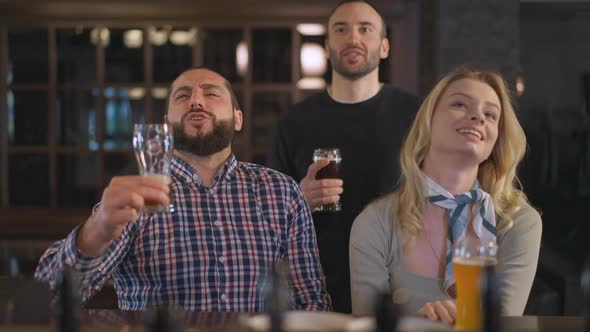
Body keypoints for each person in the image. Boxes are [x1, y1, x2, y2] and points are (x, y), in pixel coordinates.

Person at [35, 67, 331, 312]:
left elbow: (311, 301)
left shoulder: (282, 192)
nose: (195, 101)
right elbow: (48, 300)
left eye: (211, 93)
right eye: (183, 95)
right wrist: (97, 229)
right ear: (167, 124)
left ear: (238, 119)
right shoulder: (138, 196)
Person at [349, 67, 542, 322]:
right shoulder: (374, 223)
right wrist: (419, 324)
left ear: (496, 141)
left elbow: (502, 323)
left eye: (491, 115)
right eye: (460, 104)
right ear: (427, 120)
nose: (478, 117)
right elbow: (369, 325)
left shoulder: (518, 222)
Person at [267, 0, 421, 313]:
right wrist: (299, 198)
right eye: (341, 29)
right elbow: (266, 218)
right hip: (315, 287)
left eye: (365, 29)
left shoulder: (417, 114)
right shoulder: (293, 121)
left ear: (384, 47)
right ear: (327, 46)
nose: (353, 38)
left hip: (401, 284)